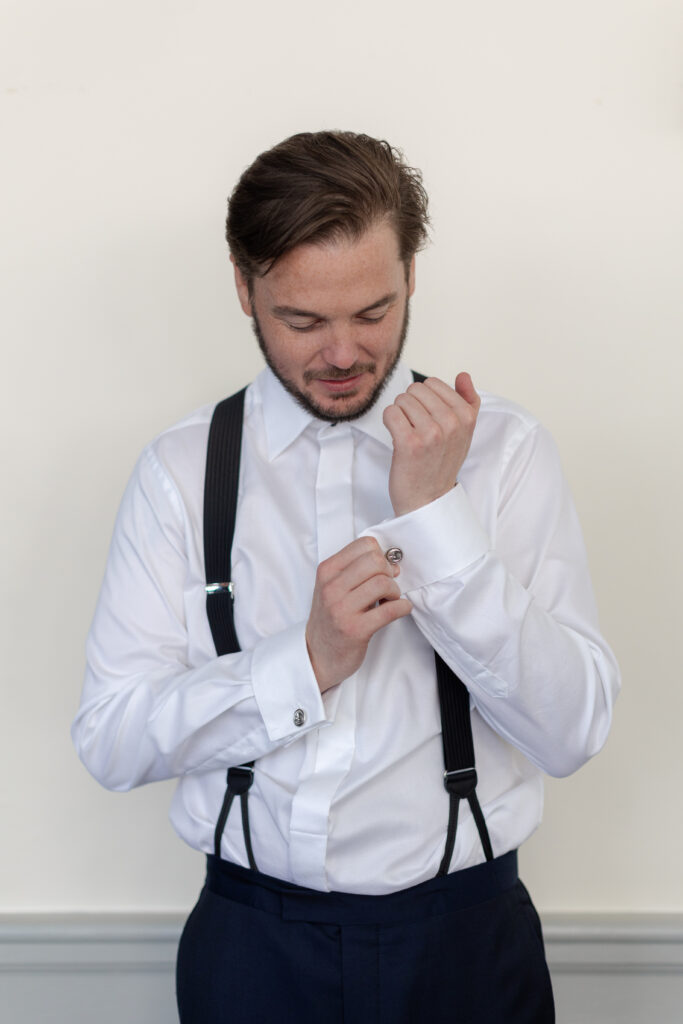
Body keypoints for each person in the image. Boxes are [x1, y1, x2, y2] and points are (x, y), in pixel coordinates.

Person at [72, 130, 620, 1023]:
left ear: (411, 278)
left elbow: (572, 731)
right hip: (251, 948)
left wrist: (434, 524)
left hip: (465, 945)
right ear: (245, 290)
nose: (341, 353)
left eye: (373, 312)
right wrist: (306, 662)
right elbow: (111, 737)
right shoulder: (180, 472)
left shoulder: (507, 454)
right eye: (302, 321)